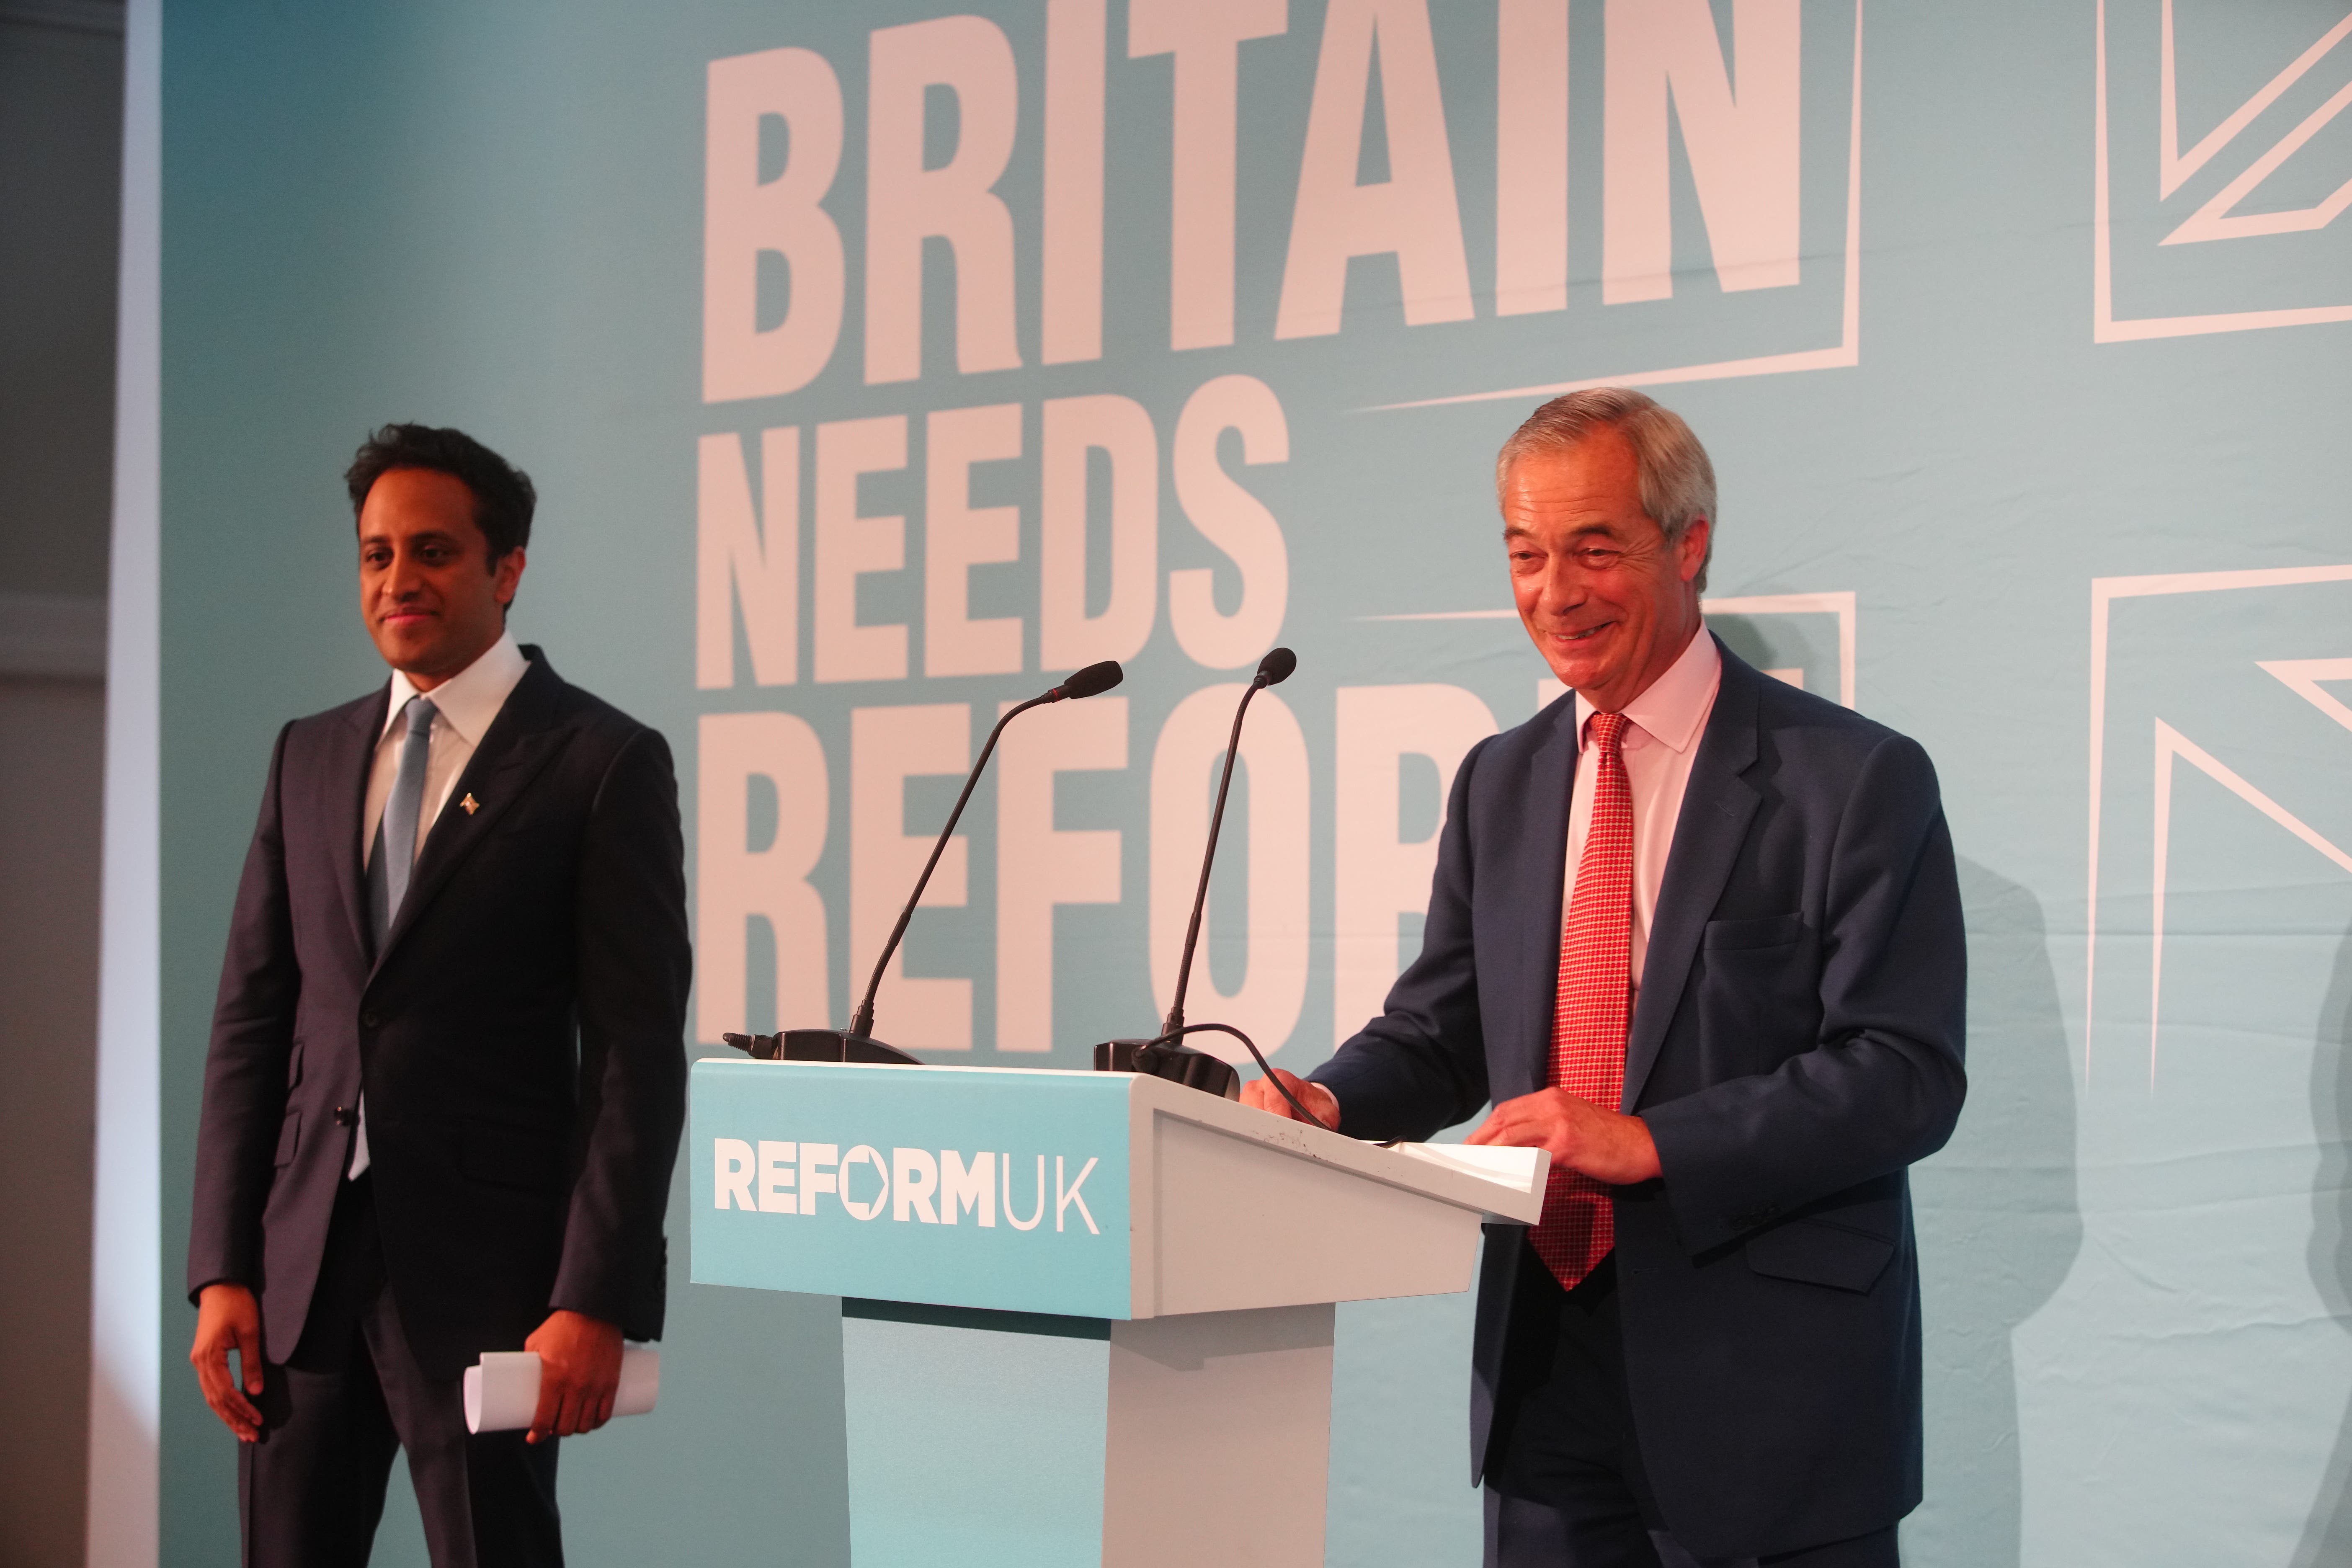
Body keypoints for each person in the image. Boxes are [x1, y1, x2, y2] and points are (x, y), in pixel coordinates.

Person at [1248, 389, 1966, 1567]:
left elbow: (1904, 1075)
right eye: (1526, 555)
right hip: (1546, 1373)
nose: (1555, 593)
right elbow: (1442, 1030)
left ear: (1690, 545)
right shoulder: (1501, 781)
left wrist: (1655, 1140)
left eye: (1594, 549)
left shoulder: (1855, 780)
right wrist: (1327, 1102)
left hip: (1771, 1391)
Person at [186, 424, 691, 1565]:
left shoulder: (599, 762)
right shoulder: (305, 756)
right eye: (374, 555)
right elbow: (251, 1026)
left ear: (507, 570)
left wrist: (594, 1295)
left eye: (432, 552)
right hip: (299, 1279)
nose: (398, 581)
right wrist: (223, 1265)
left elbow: (632, 1056)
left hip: (493, 1288)